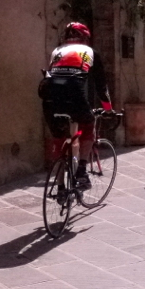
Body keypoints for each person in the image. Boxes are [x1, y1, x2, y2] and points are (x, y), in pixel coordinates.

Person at [39, 22, 113, 191]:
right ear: (85, 38)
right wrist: (108, 109)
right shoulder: (90, 52)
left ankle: (60, 189)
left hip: (49, 98)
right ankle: (81, 171)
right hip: (74, 96)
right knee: (88, 126)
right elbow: (101, 86)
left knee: (59, 141)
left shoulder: (57, 52)